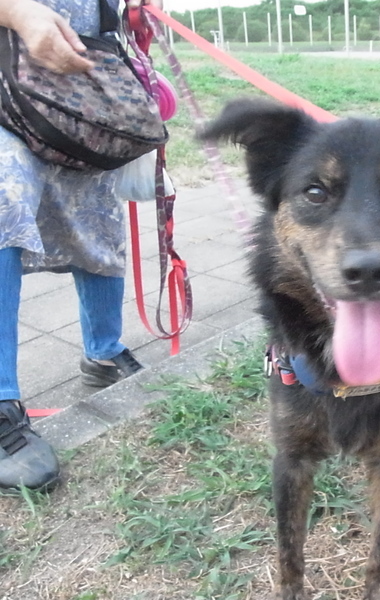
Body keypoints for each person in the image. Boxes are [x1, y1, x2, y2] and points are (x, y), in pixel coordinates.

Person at [0, 0, 161, 491]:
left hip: (83, 95)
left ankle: (104, 353)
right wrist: (17, 12)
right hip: (7, 82)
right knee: (3, 198)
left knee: (98, 225)